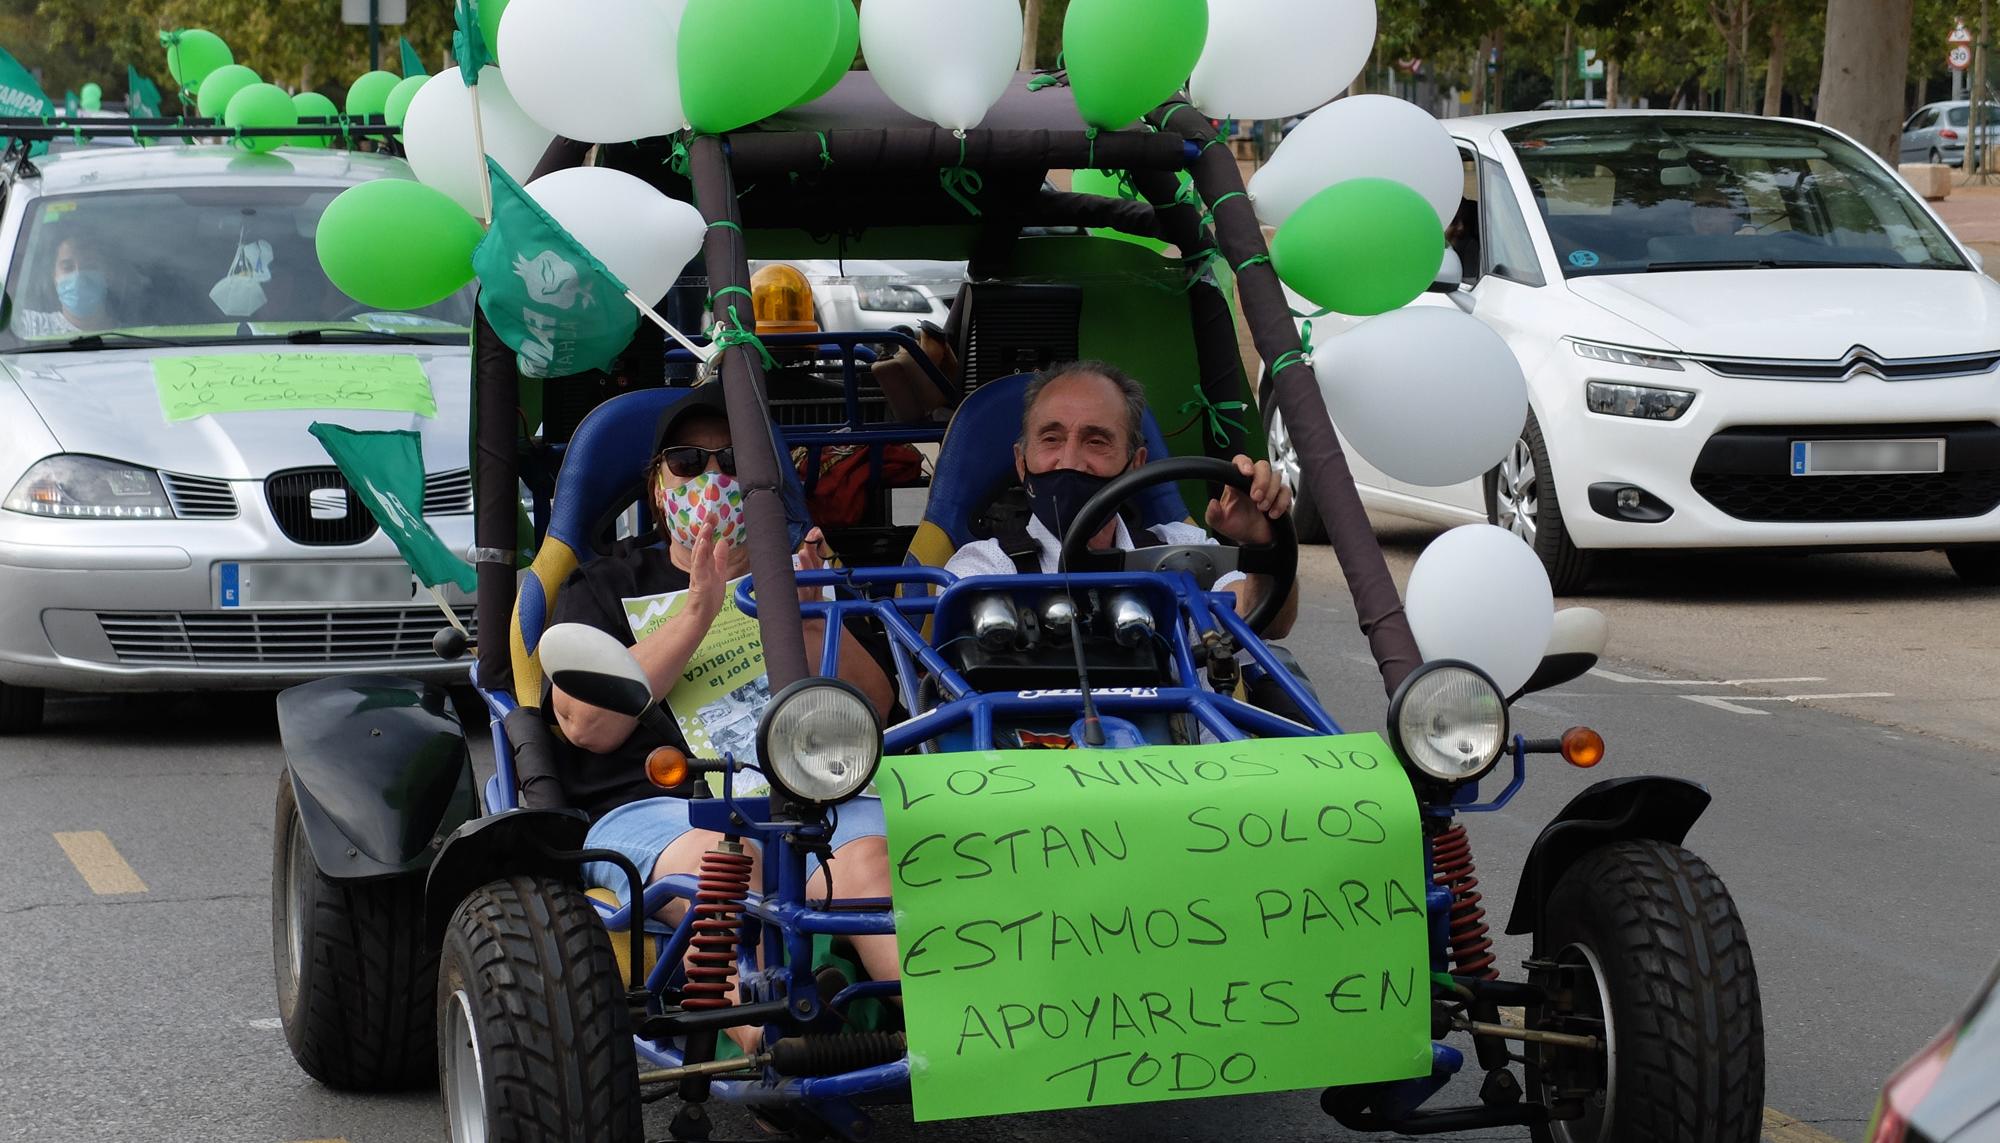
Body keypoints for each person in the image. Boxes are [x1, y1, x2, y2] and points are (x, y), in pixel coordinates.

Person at [544, 382, 902, 1035]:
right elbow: (584, 724)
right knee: (722, 862)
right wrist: (699, 611)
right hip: (660, 809)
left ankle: (948, 1036)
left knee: (871, 867)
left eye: (734, 461)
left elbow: (874, 708)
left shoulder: (809, 573)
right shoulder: (604, 584)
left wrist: (813, 615)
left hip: (819, 797)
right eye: (688, 462)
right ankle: (774, 1042)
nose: (712, 476)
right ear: (659, 486)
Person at [944, 360, 1299, 638]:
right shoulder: (984, 568)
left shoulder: (1180, 550)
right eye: (1051, 439)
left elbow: (1266, 622)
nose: (1070, 461)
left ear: (1137, 464)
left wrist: (1260, 544)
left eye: (1096, 441)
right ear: (1022, 463)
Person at [15, 234, 121, 338]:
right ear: (54, 276)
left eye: (90, 266)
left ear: (108, 275)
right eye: (67, 267)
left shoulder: (130, 336)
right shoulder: (29, 326)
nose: (79, 277)